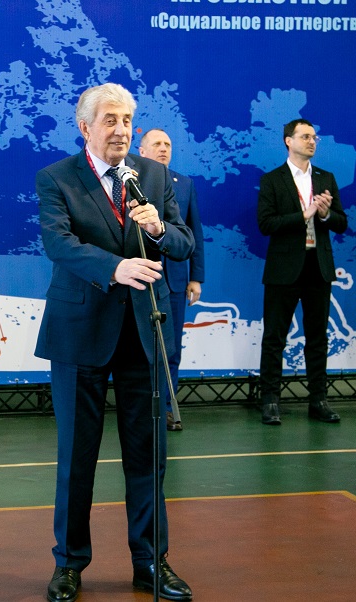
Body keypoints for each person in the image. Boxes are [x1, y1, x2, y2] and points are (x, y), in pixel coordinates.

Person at [35, 83, 195, 602]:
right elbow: (59, 243)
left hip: (144, 332)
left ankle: (151, 561)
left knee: (149, 455)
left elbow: (183, 242)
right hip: (80, 331)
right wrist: (115, 267)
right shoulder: (57, 178)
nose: (121, 129)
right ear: (85, 127)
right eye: (110, 119)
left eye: (127, 120)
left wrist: (160, 229)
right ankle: (69, 564)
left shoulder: (154, 175)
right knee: (76, 456)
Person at [256, 118, 348, 425]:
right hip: (283, 269)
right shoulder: (273, 180)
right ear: (289, 141)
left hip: (318, 267)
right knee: (274, 338)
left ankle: (318, 400)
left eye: (314, 137)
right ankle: (270, 400)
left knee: (317, 338)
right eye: (305, 136)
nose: (311, 142)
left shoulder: (325, 178)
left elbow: (341, 222)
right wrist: (304, 214)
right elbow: (266, 224)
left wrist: (324, 213)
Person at [137, 128, 205, 432]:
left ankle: (167, 408)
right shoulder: (130, 181)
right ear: (142, 151)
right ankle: (142, 407)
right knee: (142, 350)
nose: (163, 148)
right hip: (140, 278)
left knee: (171, 349)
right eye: (157, 144)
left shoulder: (184, 184)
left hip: (176, 280)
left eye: (167, 144)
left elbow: (194, 232)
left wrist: (196, 278)